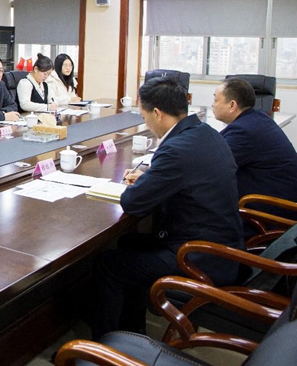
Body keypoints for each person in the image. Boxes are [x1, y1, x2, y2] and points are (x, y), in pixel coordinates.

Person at [88, 76, 243, 339]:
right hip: (224, 245)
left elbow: (133, 202)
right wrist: (153, 179)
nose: (146, 123)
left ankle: (103, 346)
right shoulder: (205, 133)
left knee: (108, 264)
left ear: (157, 113)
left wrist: (147, 182)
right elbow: (185, 177)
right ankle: (133, 329)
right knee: (128, 243)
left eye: (144, 116)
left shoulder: (175, 149)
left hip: (199, 256)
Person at [212, 77, 297, 232]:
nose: (212, 104)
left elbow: (210, 165)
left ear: (232, 105)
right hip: (287, 207)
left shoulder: (243, 131)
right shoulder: (257, 118)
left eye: (216, 100)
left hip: (274, 220)